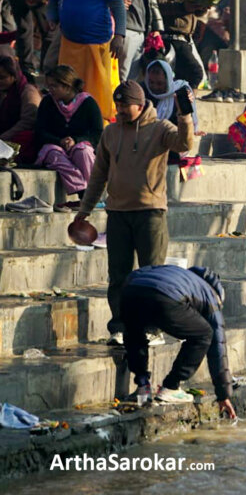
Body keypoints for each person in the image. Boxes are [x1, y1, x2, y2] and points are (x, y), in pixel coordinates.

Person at [75, 80, 195, 344]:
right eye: (116, 105)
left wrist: (184, 116)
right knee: (118, 276)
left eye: (124, 105)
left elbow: (184, 145)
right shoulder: (111, 132)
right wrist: (84, 209)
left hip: (150, 213)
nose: (119, 110)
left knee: (152, 275)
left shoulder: (161, 128)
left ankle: (153, 328)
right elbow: (98, 175)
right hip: (117, 213)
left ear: (140, 106)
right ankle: (119, 328)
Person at [121, 265, 235, 417]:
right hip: (164, 297)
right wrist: (224, 395)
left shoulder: (179, 274)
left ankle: (143, 387)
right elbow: (218, 347)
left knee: (134, 333)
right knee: (204, 333)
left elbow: (137, 274)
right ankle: (171, 387)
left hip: (130, 291)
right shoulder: (211, 296)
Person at [49, 0, 125, 123]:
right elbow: (53, 1)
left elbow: (117, 4)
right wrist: (52, 17)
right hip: (69, 42)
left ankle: (97, 131)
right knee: (67, 90)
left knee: (97, 96)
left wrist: (120, 35)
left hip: (97, 44)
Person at [35, 65, 101, 202]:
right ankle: (82, 190)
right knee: (52, 153)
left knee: (83, 152)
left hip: (79, 145)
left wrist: (76, 140)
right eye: (49, 86)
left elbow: (97, 133)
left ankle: (92, 194)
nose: (50, 90)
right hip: (56, 146)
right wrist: (59, 141)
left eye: (54, 86)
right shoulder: (47, 102)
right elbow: (40, 132)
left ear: (67, 86)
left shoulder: (88, 103)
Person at [0, 55, 40, 163]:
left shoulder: (27, 91)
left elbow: (28, 121)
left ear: (14, 76)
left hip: (16, 138)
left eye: (2, 77)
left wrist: (4, 137)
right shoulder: (3, 92)